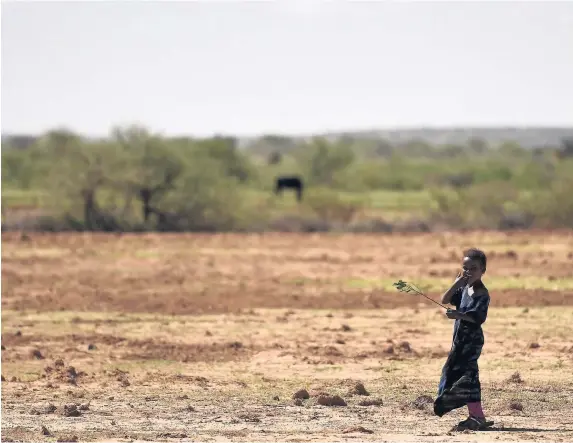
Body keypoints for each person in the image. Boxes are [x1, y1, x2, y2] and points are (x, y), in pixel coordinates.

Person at [434, 248, 494, 431]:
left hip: (472, 341)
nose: (469, 272)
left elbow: (478, 317)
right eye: (466, 268)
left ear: (483, 270)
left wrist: (459, 315)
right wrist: (456, 284)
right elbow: (445, 299)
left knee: (466, 377)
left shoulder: (482, 293)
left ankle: (476, 416)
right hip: (460, 340)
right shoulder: (464, 289)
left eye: (474, 268)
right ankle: (477, 416)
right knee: (467, 377)